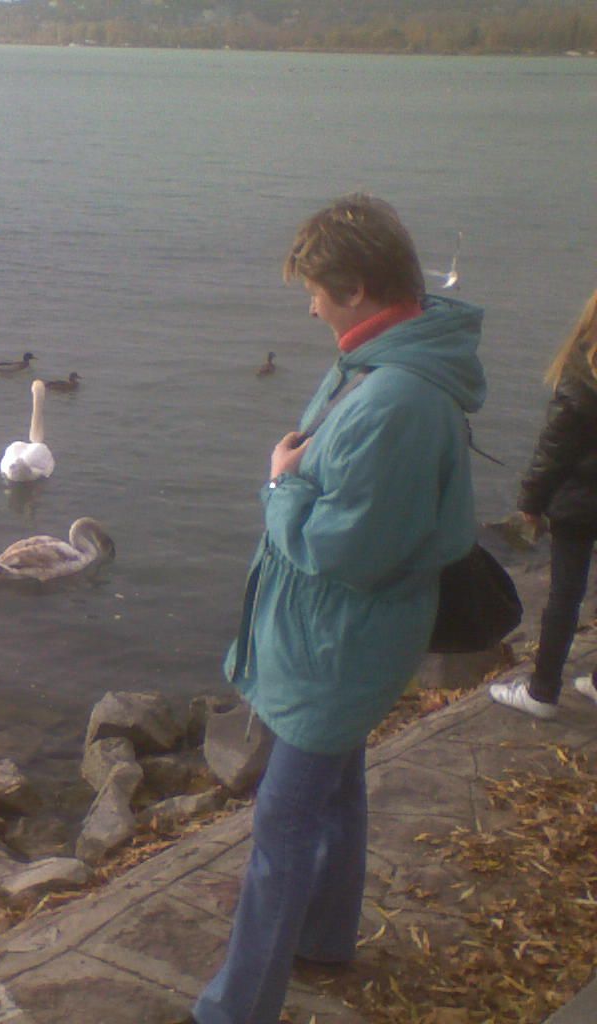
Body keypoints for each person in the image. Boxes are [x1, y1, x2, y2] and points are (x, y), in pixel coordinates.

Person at [191, 194, 486, 1024]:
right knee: (339, 789)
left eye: (317, 291)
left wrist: (280, 486)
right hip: (343, 639)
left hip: (337, 645)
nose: (311, 308)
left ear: (356, 287)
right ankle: (325, 937)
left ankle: (237, 1008)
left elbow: (348, 549)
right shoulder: (380, 362)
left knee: (281, 826)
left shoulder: (396, 399)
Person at [489, 287, 597, 719]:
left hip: (579, 501)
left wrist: (529, 503)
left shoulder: (582, 372)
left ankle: (542, 691)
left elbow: (554, 449)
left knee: (565, 595)